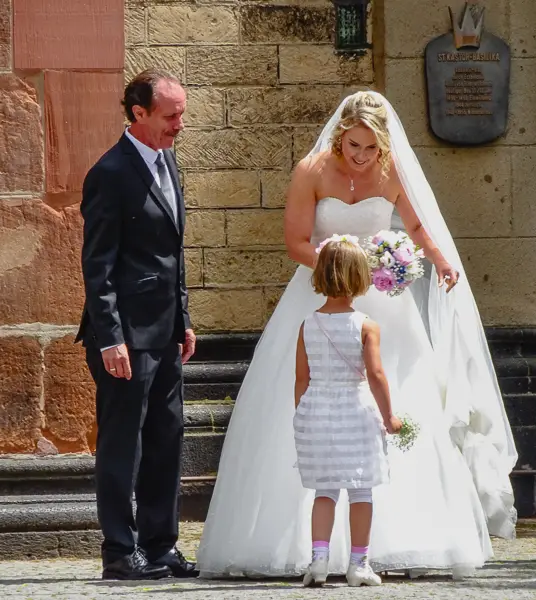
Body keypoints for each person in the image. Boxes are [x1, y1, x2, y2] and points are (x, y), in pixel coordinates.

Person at [196, 91, 517, 579]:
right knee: (304, 398)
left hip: (384, 302)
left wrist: (440, 259)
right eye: (353, 145)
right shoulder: (311, 170)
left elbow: (415, 225)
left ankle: (399, 539)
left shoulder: (391, 172)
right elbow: (296, 242)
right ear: (340, 134)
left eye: (369, 148)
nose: (361, 156)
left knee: (396, 390)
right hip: (321, 292)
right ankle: (305, 544)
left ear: (382, 145)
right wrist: (344, 267)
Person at [76, 69, 198, 581]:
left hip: (165, 333)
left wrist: (184, 318)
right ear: (138, 113)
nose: (179, 125)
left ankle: (160, 545)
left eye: (182, 114)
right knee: (123, 446)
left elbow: (172, 252)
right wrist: (110, 338)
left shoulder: (169, 161)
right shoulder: (110, 172)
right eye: (170, 116)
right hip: (124, 338)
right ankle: (120, 553)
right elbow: (97, 264)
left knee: (167, 441)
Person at [295, 237, 402, 588]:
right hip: (355, 414)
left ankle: (319, 560)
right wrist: (389, 417)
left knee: (324, 491)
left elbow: (302, 378)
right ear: (360, 277)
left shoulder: (307, 325)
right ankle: (359, 563)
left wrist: (304, 417)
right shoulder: (366, 325)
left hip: (318, 414)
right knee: (361, 491)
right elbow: (375, 375)